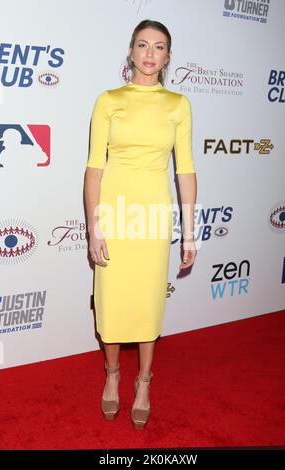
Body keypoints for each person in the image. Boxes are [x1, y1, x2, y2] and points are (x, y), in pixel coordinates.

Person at [84, 19, 197, 429]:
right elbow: (94, 168)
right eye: (143, 45)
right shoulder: (108, 100)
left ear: (168, 56)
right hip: (113, 212)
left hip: (152, 216)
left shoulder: (178, 105)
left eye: (160, 47)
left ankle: (144, 381)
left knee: (149, 303)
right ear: (130, 52)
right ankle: (113, 375)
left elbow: (185, 171)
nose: (150, 54)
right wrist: (94, 226)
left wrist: (190, 230)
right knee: (111, 303)